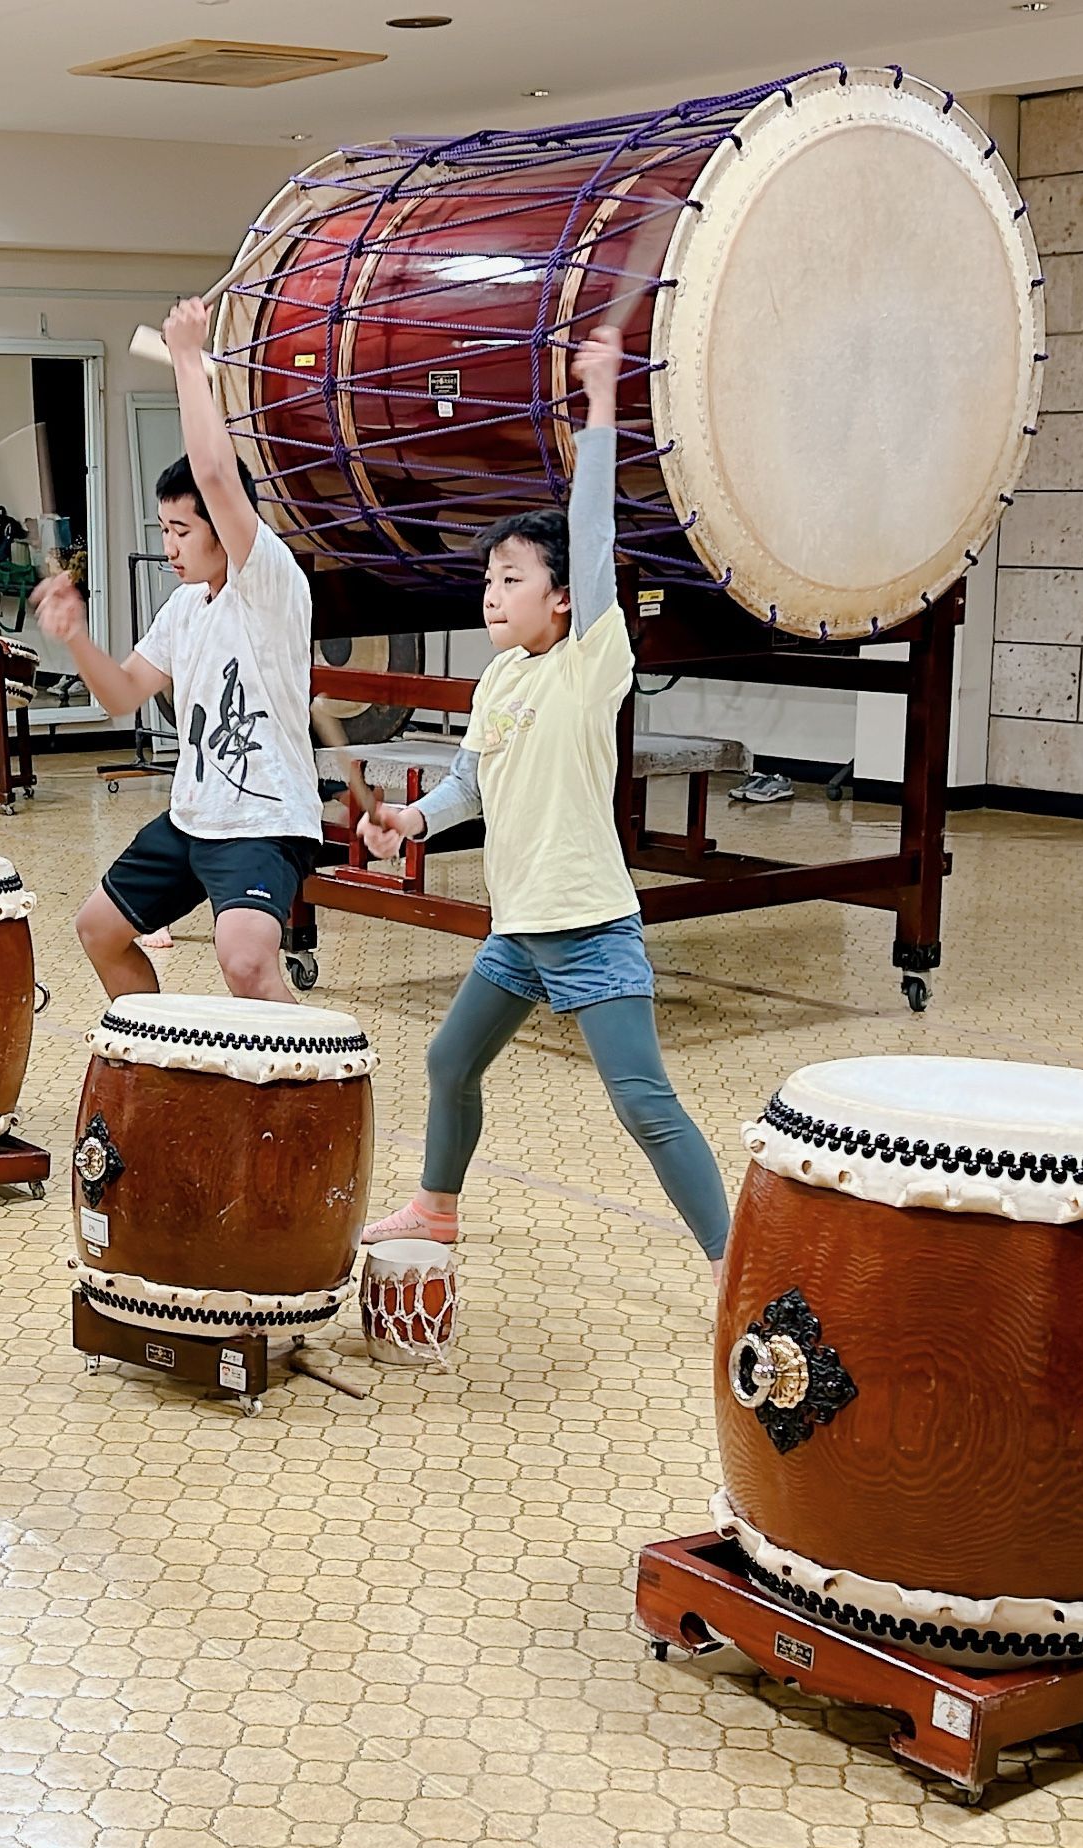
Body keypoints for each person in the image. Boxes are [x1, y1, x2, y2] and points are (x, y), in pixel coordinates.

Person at [356, 324, 731, 1282]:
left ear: (565, 600)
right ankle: (436, 1209)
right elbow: (468, 785)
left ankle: (737, 1264)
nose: (492, 594)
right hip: (519, 927)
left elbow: (595, 533)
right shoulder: (499, 684)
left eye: (511, 579)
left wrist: (602, 403)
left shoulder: (588, 664)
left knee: (645, 1103)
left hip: (590, 924)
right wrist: (411, 822)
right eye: (487, 579)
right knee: (450, 1062)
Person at [34, 298, 320, 1002]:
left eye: (181, 531)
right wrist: (76, 639)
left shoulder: (269, 579)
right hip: (192, 817)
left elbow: (219, 476)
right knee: (98, 929)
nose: (168, 547)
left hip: (263, 821)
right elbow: (123, 693)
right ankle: (167, 1057)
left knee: (246, 961)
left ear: (226, 529)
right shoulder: (186, 605)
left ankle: (318, 1092)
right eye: (161, 529)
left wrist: (189, 358)